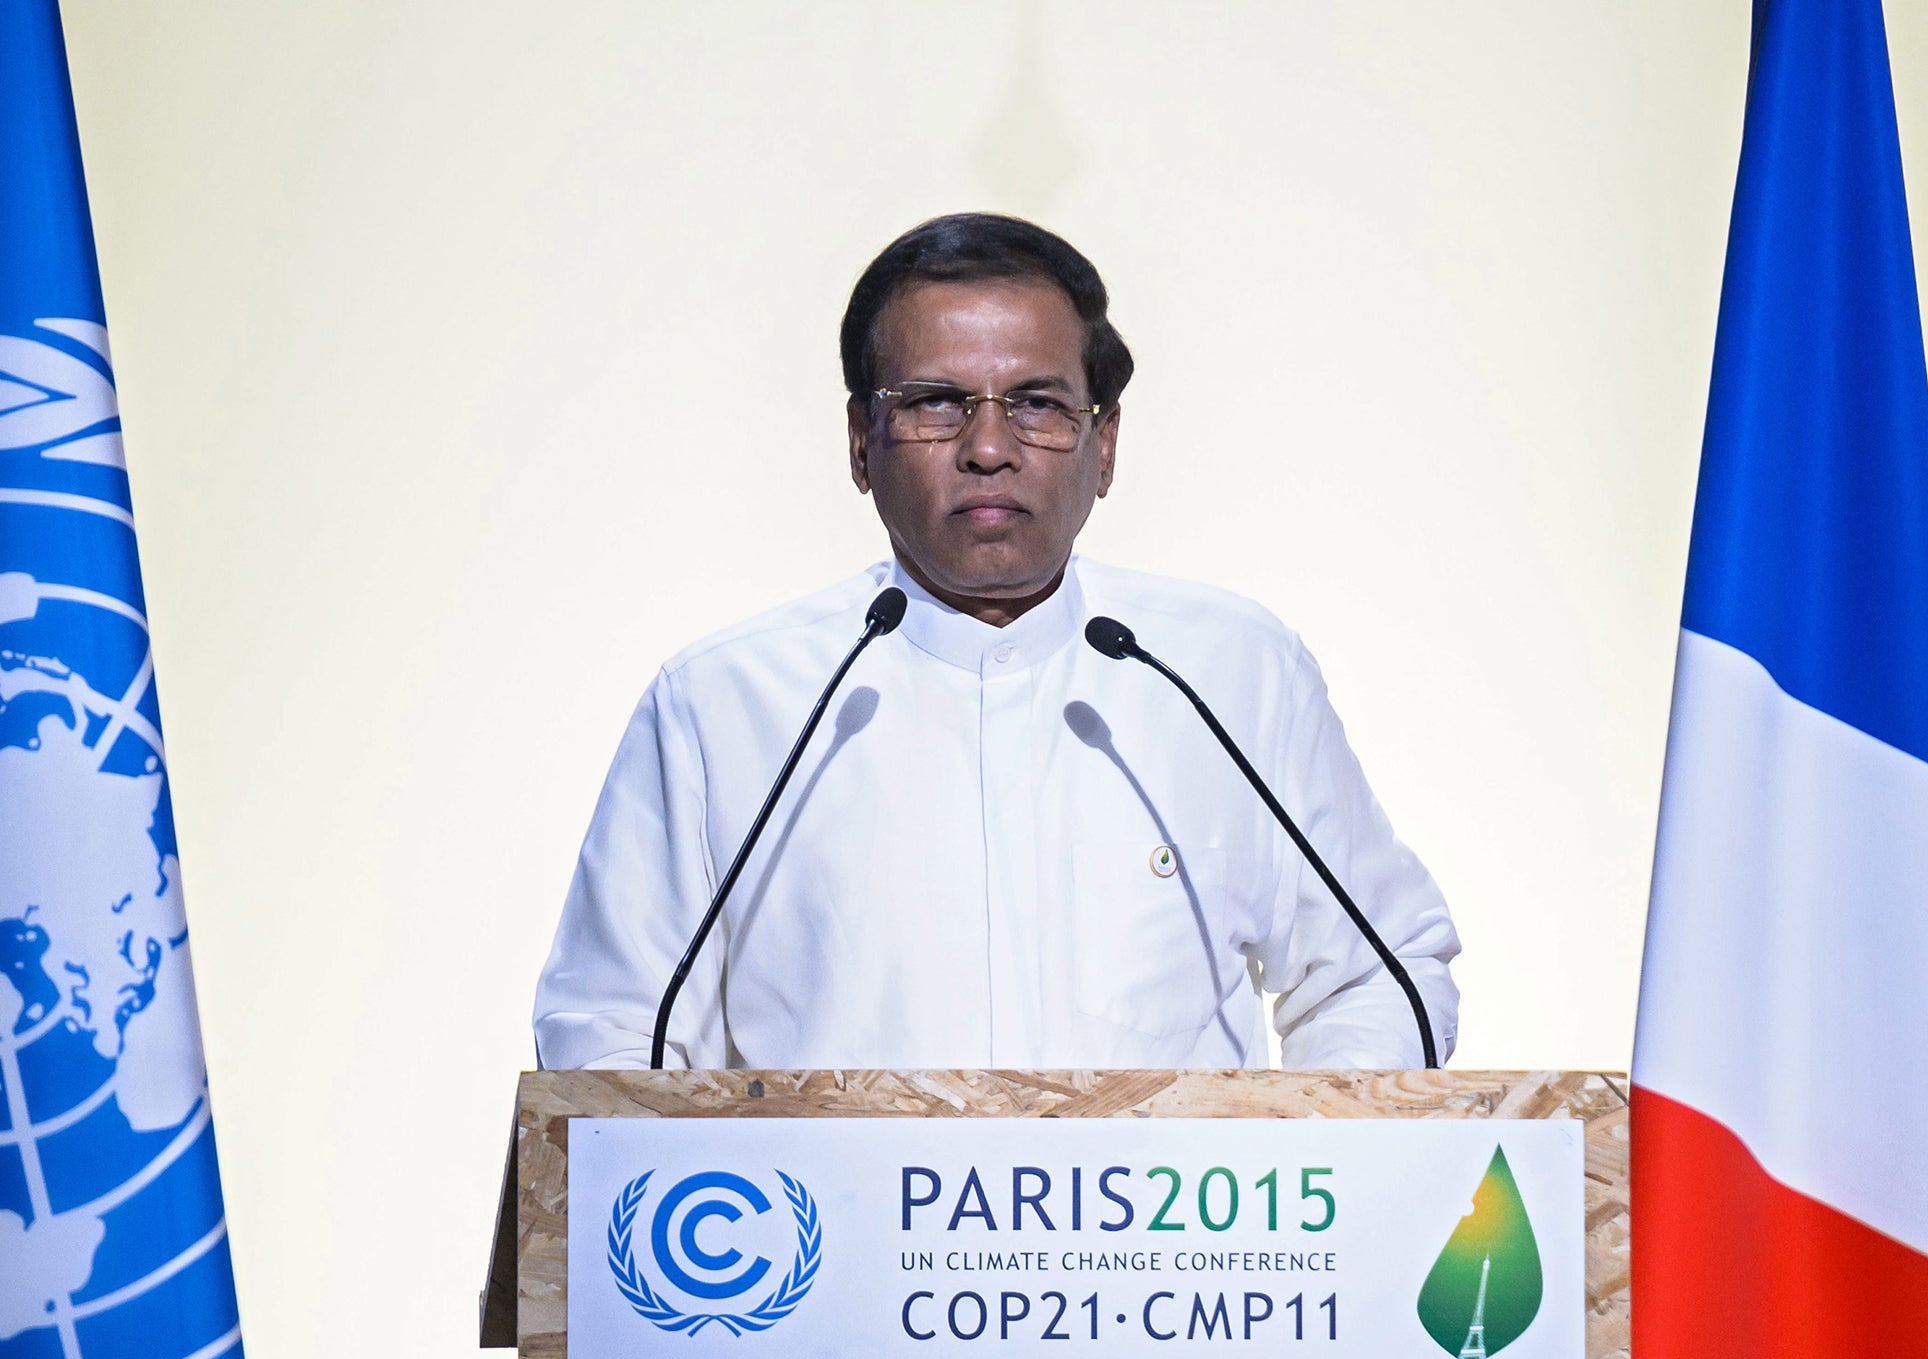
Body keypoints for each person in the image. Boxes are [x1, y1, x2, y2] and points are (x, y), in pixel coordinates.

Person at [533, 213, 1459, 1071]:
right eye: (937, 402)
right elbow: (615, 1034)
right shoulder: (725, 703)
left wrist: (1295, 1191)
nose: (988, 446)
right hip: (839, 1248)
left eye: (1038, 405)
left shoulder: (1229, 674)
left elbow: (1379, 973)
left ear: (1104, 446)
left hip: (1166, 1246)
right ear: (863, 440)